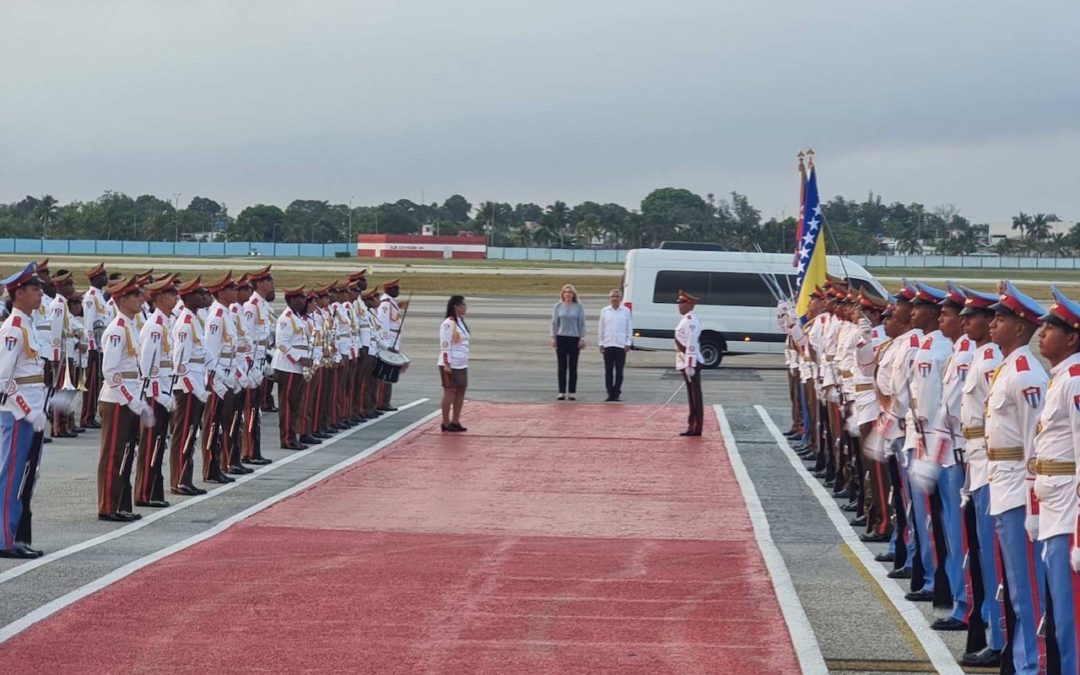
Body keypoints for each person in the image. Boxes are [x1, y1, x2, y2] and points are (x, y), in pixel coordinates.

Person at [986, 280, 1049, 675]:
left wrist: (1033, 504)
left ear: (1021, 328)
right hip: (1000, 480)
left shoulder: (1026, 374)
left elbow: (1035, 444)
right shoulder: (1008, 367)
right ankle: (1020, 659)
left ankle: (1030, 665)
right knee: (1013, 583)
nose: (993, 323)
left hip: (1017, 489)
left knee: (1026, 590)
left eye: (1001, 317)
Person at [1032, 286, 1080, 675]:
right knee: (1058, 614)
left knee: (1071, 619)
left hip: (1068, 511)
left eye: (1051, 327)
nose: (1041, 333)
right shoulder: (1059, 378)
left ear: (1073, 337)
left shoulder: (1076, 381)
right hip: (1052, 503)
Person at [0, 263, 48, 558]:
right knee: (11, 476)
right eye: (35, 288)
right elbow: (3, 379)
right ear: (19, 293)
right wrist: (28, 410)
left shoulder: (28, 325)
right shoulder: (14, 330)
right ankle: (4, 539)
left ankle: (13, 534)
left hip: (31, 410)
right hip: (18, 414)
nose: (41, 293)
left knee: (26, 476)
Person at [97, 274, 150, 522]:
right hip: (117, 399)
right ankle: (108, 506)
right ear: (122, 299)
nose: (141, 299)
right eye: (136, 296)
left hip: (128, 397)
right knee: (114, 454)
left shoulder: (130, 325)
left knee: (127, 452)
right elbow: (110, 371)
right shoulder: (118, 329)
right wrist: (130, 398)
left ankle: (120, 504)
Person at [134, 275, 178, 509]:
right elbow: (146, 366)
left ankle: (154, 491)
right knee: (151, 444)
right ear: (160, 298)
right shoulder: (154, 326)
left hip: (164, 390)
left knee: (160, 444)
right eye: (172, 294)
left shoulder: (167, 323)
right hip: (154, 393)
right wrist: (157, 393)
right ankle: (144, 492)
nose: (176, 297)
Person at [170, 277, 210, 496]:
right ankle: (179, 479)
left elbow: (202, 353)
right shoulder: (185, 322)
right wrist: (194, 387)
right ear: (188, 297)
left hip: (195, 381)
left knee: (191, 432)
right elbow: (179, 363)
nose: (204, 296)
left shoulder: (194, 319)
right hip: (186, 387)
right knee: (183, 432)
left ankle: (185, 477)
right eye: (199, 293)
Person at [272, 285, 312, 450]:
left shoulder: (297, 317)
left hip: (296, 368)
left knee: (295, 404)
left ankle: (292, 435)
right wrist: (299, 359)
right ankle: (287, 438)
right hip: (287, 367)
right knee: (287, 405)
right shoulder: (286, 318)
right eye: (301, 298)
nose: (304, 301)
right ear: (293, 300)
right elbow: (281, 344)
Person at [81, 262, 110, 429]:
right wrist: (91, 346)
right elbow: (88, 323)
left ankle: (91, 415)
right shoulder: (91, 296)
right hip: (94, 346)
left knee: (97, 382)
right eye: (104, 275)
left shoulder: (99, 295)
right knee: (91, 383)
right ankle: (86, 416)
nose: (106, 277)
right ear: (96, 278)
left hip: (100, 346)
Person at [438, 295, 470, 432]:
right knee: (449, 391)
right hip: (451, 362)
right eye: (463, 305)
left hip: (461, 362)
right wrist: (447, 363)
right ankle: (445, 422)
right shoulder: (448, 323)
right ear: (456, 307)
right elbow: (445, 344)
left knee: (461, 390)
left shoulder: (461, 322)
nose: (465, 308)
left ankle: (455, 420)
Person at [674, 289, 703, 436]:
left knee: (695, 397)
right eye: (679, 303)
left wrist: (690, 364)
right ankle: (692, 425)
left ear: (690, 304)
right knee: (692, 396)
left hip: (690, 362)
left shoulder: (691, 321)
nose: (679, 306)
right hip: (685, 361)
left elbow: (691, 344)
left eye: (682, 303)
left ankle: (696, 426)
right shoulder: (686, 319)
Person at [376, 279, 407, 411]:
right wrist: (387, 346)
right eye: (396, 289)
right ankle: (382, 401)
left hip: (393, 340)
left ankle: (385, 400)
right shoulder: (385, 304)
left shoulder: (391, 303)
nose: (398, 291)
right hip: (388, 342)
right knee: (386, 375)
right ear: (390, 289)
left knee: (390, 374)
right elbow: (383, 326)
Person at [551, 283, 585, 400]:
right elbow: (554, 323)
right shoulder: (558, 306)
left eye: (570, 292)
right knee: (562, 366)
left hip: (574, 338)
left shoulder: (578, 307)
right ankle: (561, 391)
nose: (568, 294)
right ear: (562, 294)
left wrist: (582, 338)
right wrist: (553, 337)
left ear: (573, 294)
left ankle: (571, 392)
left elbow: (582, 323)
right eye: (565, 292)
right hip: (561, 337)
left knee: (573, 366)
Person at [597, 288, 632, 402]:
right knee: (608, 370)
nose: (614, 299)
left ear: (620, 298)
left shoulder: (625, 311)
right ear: (610, 298)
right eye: (612, 296)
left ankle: (617, 392)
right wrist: (601, 343)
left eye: (617, 296)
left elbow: (629, 327)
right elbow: (601, 328)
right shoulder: (605, 311)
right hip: (608, 344)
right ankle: (609, 392)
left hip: (620, 345)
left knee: (619, 370)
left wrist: (628, 342)